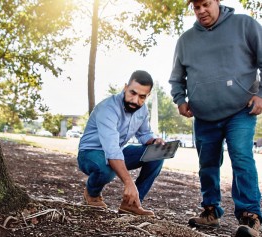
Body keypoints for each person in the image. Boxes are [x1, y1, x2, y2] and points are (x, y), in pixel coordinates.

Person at [169, 0, 262, 236]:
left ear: (218, 1)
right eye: (196, 7)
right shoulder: (186, 40)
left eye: (206, 4)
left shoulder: (245, 25)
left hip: (240, 109)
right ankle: (210, 211)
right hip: (204, 115)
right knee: (207, 164)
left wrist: (261, 94)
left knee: (241, 156)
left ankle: (250, 217)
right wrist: (180, 99)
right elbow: (177, 78)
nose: (201, 11)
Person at [77, 70, 164, 217]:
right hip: (90, 153)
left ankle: (132, 204)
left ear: (147, 96)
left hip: (117, 151)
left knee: (156, 154)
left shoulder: (142, 110)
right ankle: (92, 194)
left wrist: (154, 141)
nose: (135, 100)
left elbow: (144, 134)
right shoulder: (108, 108)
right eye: (132, 93)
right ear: (125, 87)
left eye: (142, 97)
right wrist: (129, 183)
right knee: (106, 169)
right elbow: (111, 150)